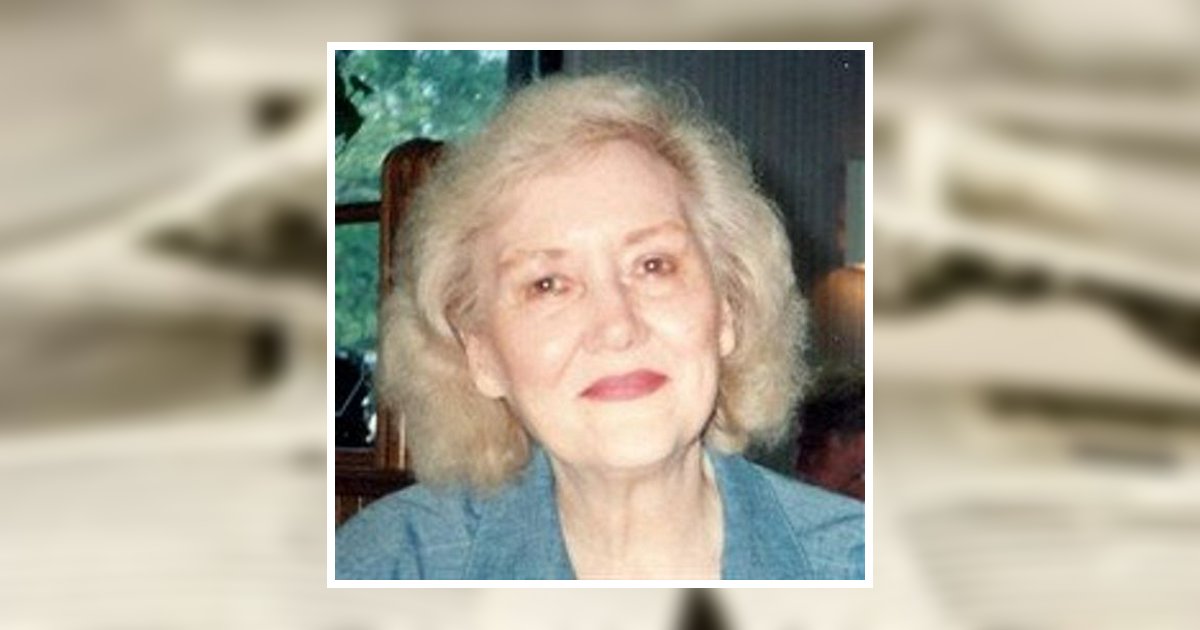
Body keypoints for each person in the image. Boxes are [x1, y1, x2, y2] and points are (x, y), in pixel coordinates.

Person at [336, 74, 864, 580]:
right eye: (548, 284)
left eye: (653, 265)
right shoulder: (384, 566)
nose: (616, 327)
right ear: (481, 354)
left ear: (727, 308)